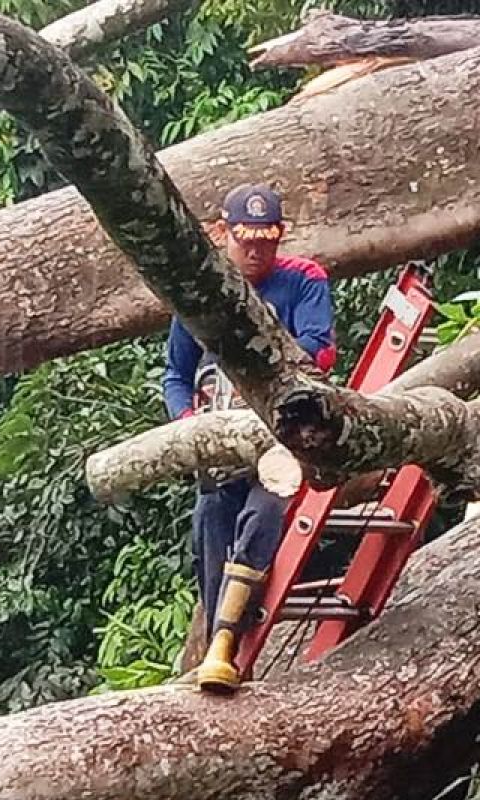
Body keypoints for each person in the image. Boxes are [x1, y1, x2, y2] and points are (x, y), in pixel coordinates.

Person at [163, 183, 335, 691]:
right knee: (210, 521)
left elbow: (319, 351)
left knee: (263, 514)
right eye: (246, 240)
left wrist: (257, 360)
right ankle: (219, 642)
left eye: (268, 239)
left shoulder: (302, 280)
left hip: (280, 443)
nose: (257, 250)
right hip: (218, 448)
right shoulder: (197, 292)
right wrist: (189, 424)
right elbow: (175, 373)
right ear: (224, 234)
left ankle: (226, 643)